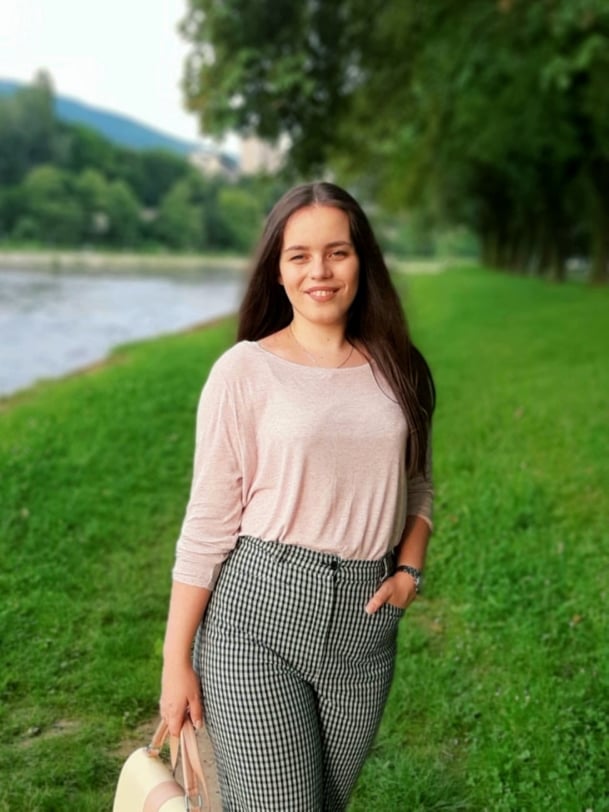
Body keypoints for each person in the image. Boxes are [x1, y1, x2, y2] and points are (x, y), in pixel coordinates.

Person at [160, 181, 435, 811]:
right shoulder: (243, 371)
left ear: (362, 260)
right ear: (277, 271)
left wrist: (410, 571)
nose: (320, 271)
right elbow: (208, 522)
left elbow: (418, 482)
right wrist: (176, 660)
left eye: (337, 252)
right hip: (258, 615)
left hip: (365, 624)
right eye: (299, 256)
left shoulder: (403, 369)